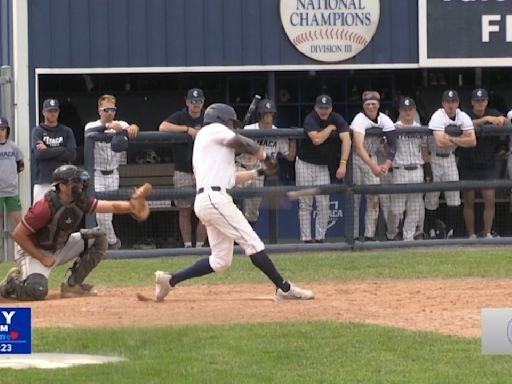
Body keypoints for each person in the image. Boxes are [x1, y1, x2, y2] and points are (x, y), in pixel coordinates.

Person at [154, 103, 314, 302]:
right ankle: (284, 287)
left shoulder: (211, 148)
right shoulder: (212, 130)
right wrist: (265, 158)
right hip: (215, 200)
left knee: (220, 261)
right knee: (253, 243)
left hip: (208, 200)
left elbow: (231, 179)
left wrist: (259, 172)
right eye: (230, 122)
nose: (232, 126)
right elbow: (244, 143)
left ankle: (170, 280)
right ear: (221, 119)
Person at [0, 164, 150, 301]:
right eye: (75, 182)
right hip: (34, 252)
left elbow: (108, 206)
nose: (80, 186)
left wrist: (131, 207)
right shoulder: (44, 207)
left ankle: (72, 285)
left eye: (80, 182)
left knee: (99, 238)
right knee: (36, 291)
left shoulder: (80, 201)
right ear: (63, 186)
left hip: (60, 247)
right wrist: (41, 257)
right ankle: (11, 285)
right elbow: (18, 234)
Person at [85, 94, 140, 250]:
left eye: (112, 109)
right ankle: (113, 242)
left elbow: (132, 129)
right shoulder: (91, 125)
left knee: (107, 214)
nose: (109, 113)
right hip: (97, 174)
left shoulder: (120, 123)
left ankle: (105, 245)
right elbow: (90, 132)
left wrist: (134, 127)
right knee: (101, 214)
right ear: (99, 110)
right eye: (106, 109)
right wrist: (108, 127)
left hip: (113, 174)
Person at [295, 94, 350, 243]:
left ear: (331, 108)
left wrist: (343, 163)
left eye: (326, 108)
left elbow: (346, 139)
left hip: (322, 167)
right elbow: (317, 139)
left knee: (324, 203)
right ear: (316, 108)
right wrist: (330, 128)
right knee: (305, 202)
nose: (324, 111)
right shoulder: (311, 118)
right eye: (321, 108)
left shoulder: (336, 118)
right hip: (305, 164)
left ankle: (320, 238)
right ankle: (306, 239)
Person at [424, 90, 476, 239]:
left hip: (450, 158)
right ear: (443, 103)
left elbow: (472, 141)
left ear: (458, 103)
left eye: (453, 102)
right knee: (432, 197)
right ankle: (432, 230)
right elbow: (439, 142)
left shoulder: (462, 116)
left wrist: (452, 139)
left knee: (453, 196)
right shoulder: (438, 116)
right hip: (435, 158)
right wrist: (460, 138)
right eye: (448, 102)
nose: (451, 105)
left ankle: (451, 230)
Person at [236, 99, 296, 227]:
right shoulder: (248, 129)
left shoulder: (277, 133)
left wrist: (293, 140)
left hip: (259, 174)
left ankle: (247, 240)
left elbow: (290, 157)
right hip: (242, 168)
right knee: (234, 205)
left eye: (270, 113)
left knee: (252, 212)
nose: (268, 116)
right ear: (260, 115)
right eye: (265, 113)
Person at [159, 88, 207, 248]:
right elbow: (163, 127)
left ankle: (200, 246)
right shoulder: (180, 116)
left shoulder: (208, 117)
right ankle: (187, 246)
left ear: (203, 102)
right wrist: (187, 129)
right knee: (184, 210)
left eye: (199, 101)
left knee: (206, 211)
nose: (196, 104)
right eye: (193, 101)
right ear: (187, 102)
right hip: (182, 170)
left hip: (204, 171)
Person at [458, 88, 507, 238]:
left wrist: (502, 119)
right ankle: (471, 234)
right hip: (468, 163)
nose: (480, 103)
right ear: (472, 102)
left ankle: (487, 233)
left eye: (483, 100)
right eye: (477, 101)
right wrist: (486, 120)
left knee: (490, 200)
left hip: (487, 164)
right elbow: (462, 124)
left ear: (486, 101)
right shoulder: (465, 113)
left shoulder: (493, 111)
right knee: (469, 201)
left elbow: (505, 122)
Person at [350, 91, 397, 241]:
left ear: (378, 105)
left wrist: (387, 163)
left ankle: (369, 236)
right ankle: (354, 236)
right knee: (355, 199)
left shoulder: (384, 119)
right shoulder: (359, 119)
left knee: (373, 199)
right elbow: (358, 146)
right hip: (357, 159)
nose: (371, 107)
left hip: (373, 157)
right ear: (363, 106)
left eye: (373, 104)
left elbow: (393, 144)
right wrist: (374, 167)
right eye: (368, 104)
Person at [387, 97, 428, 241]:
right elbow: (384, 148)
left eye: (410, 109)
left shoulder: (421, 128)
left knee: (414, 207)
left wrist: (426, 170)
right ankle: (392, 234)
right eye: (405, 110)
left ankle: (408, 237)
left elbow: (424, 151)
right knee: (396, 209)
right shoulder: (392, 127)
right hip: (400, 170)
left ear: (414, 110)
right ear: (400, 111)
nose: (407, 112)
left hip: (417, 169)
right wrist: (390, 136)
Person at [31, 98, 77, 202]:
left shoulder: (66, 131)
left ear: (58, 112)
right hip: (43, 182)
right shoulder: (37, 131)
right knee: (39, 215)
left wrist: (48, 150)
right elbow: (39, 154)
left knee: (61, 215)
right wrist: (62, 149)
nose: (52, 114)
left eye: (55, 111)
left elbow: (72, 155)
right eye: (49, 111)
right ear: (43, 112)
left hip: (62, 182)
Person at [0, 116, 25, 233]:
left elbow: (21, 165)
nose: (0, 132)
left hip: (12, 191)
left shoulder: (13, 147)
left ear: (7, 131)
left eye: (2, 129)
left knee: (19, 224)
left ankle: (24, 249)